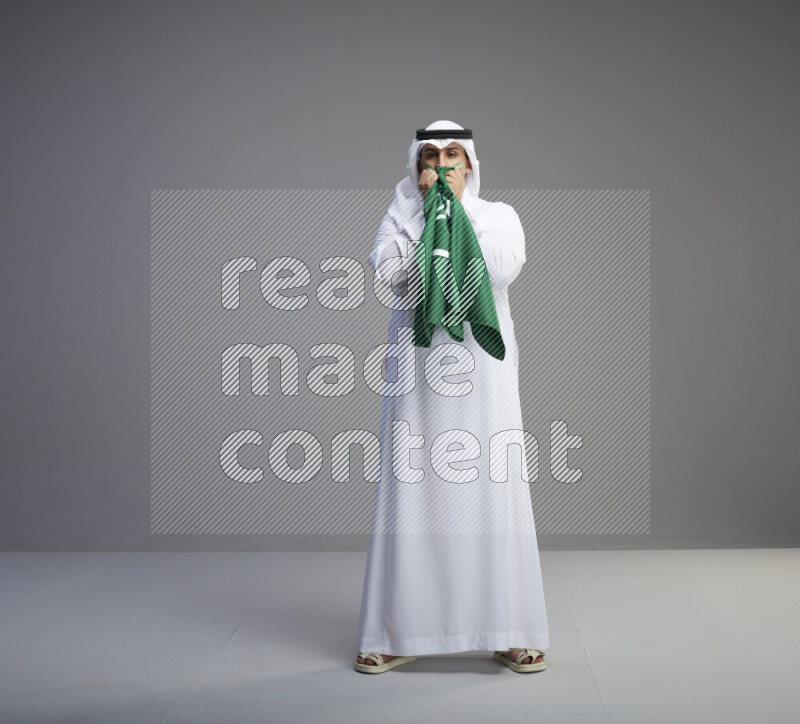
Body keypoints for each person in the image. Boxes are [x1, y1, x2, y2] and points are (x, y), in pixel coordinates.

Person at [354, 120, 549, 674]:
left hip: (481, 370)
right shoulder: (399, 219)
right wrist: (427, 219)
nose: (441, 166)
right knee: (412, 492)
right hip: (419, 371)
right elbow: (393, 281)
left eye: (453, 156)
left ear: (470, 166)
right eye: (431, 156)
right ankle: (396, 630)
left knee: (493, 485)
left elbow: (498, 269)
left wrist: (455, 212)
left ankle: (509, 628)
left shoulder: (497, 216)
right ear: (416, 165)